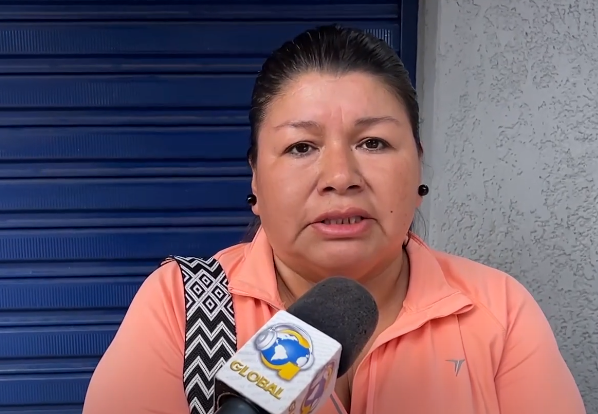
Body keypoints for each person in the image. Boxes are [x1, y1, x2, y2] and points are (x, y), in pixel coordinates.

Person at [82, 25, 586, 414]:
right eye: (301, 147)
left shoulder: (497, 311)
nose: (341, 177)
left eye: (374, 142)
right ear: (256, 178)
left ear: (418, 167)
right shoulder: (182, 305)